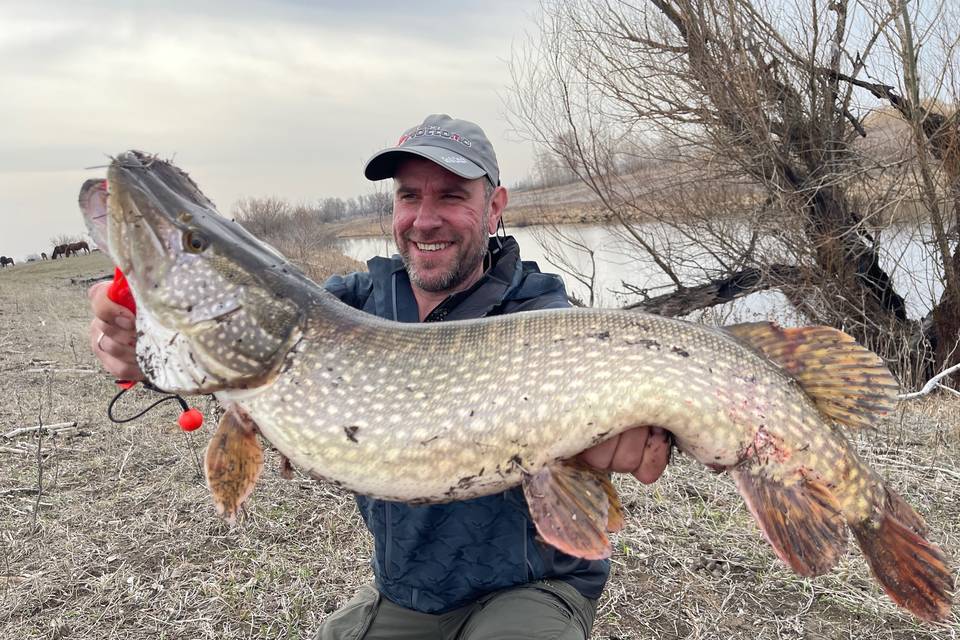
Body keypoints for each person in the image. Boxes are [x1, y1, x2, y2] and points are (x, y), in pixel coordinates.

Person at [88, 114, 672, 639]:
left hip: (530, 588)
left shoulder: (539, 316)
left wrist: (600, 440)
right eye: (409, 195)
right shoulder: (353, 304)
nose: (424, 218)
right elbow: (235, 355)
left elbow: (612, 416)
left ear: (494, 206)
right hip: (410, 594)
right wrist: (142, 350)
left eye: (451, 196)